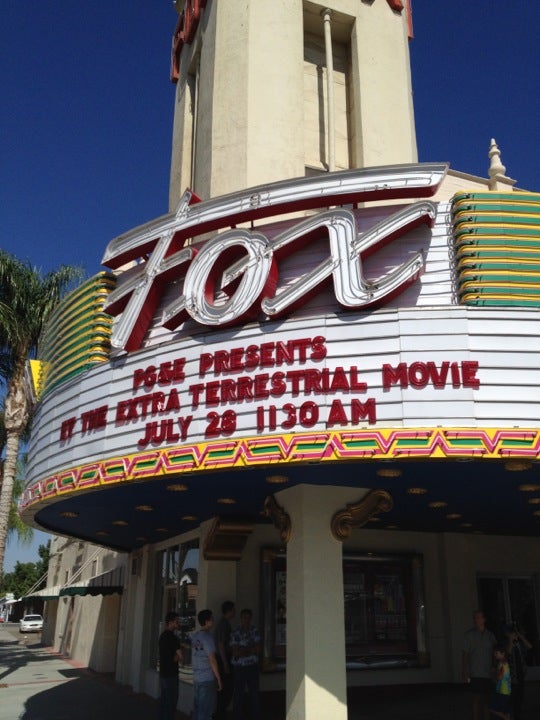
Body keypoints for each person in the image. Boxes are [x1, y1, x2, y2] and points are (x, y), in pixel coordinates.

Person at [462, 610, 497, 720]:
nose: (476, 620)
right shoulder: (469, 635)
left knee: (486, 699)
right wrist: (465, 670)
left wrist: (495, 667)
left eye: (478, 617)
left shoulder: (490, 635)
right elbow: (465, 654)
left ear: (484, 619)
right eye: (474, 618)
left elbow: (495, 652)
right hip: (475, 671)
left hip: (487, 672)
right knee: (476, 698)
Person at [191, 609, 222, 720]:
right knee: (206, 712)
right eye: (212, 619)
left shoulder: (195, 636)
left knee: (198, 709)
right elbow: (212, 659)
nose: (213, 621)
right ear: (207, 621)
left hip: (197, 678)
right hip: (207, 679)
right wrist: (218, 678)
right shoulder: (208, 637)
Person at [230, 608, 260, 720]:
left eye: (248, 617)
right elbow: (235, 651)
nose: (246, 620)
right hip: (239, 668)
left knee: (254, 694)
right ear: (240, 618)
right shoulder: (235, 632)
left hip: (253, 667)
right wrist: (249, 650)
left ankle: (255, 716)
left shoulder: (255, 631)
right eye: (244, 617)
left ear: (251, 618)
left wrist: (242, 650)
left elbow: (257, 649)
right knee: (238, 693)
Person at [158, 611, 182, 720]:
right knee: (171, 705)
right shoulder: (173, 638)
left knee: (164, 702)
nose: (178, 623)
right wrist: (180, 654)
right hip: (171, 674)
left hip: (163, 673)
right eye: (177, 621)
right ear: (171, 622)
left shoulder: (162, 636)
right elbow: (178, 657)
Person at [505, 623, 532, 720]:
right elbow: (507, 654)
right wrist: (510, 640)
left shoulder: (519, 645)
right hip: (512, 679)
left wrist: (520, 635)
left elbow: (529, 647)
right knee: (512, 701)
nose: (514, 634)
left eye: (514, 632)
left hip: (520, 677)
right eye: (512, 632)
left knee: (519, 701)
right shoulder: (507, 643)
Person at [214, 600, 236, 720]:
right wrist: (225, 663)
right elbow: (221, 644)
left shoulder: (225, 623)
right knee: (226, 688)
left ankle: (220, 713)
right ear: (229, 610)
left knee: (225, 689)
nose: (234, 612)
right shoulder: (223, 625)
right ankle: (220, 714)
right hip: (224, 658)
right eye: (233, 609)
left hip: (224, 658)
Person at [489, 644, 511, 720]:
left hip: (502, 691)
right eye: (494, 653)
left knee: (492, 708)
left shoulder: (502, 664)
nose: (495, 655)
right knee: (506, 710)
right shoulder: (504, 663)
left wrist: (493, 673)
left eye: (496, 653)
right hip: (506, 691)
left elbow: (499, 677)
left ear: (503, 653)